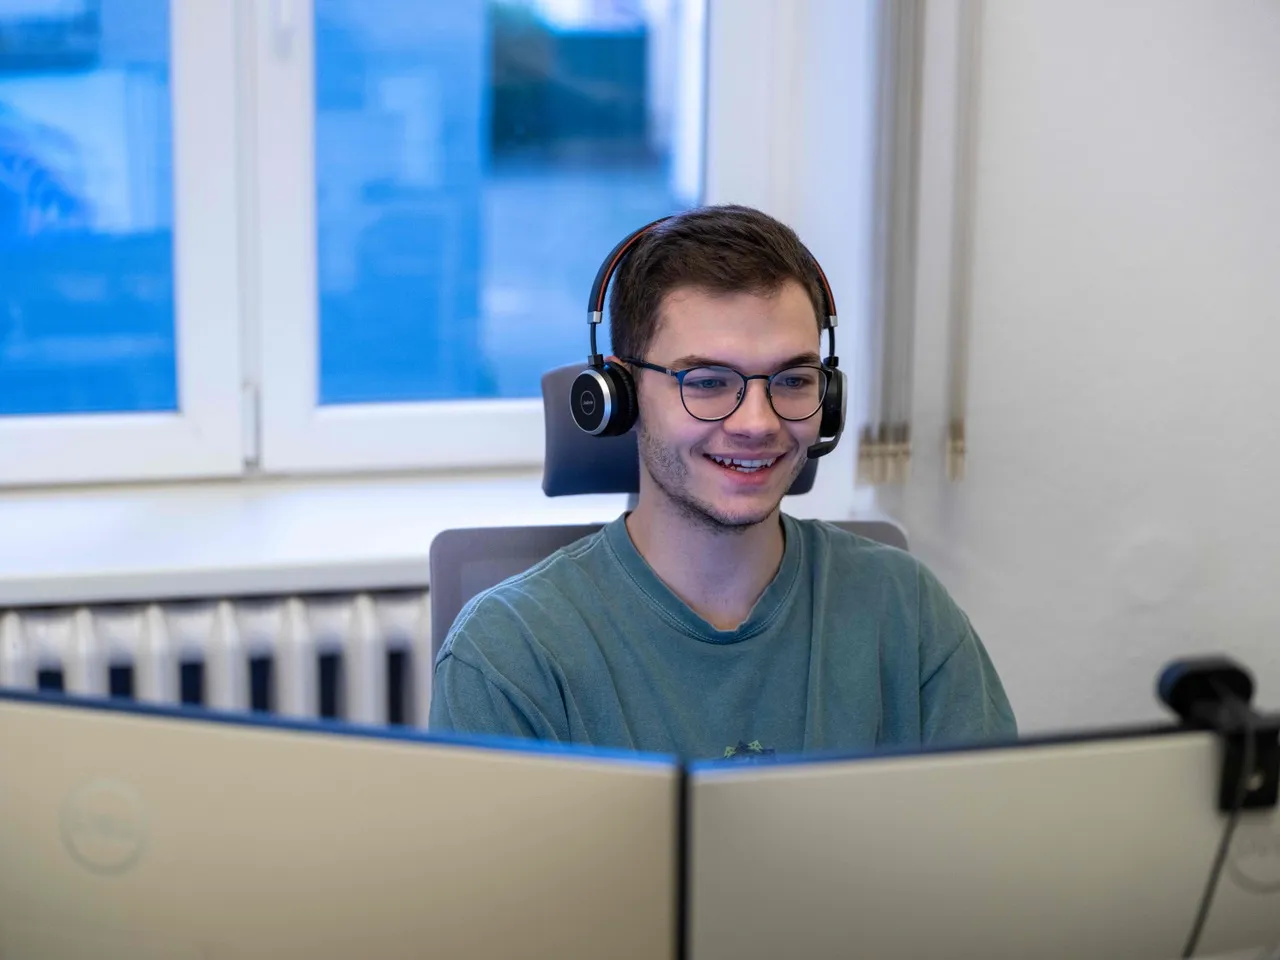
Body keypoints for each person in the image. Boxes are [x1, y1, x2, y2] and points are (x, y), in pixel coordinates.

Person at [430, 205, 1016, 760]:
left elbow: (992, 828)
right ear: (622, 395)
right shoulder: (508, 652)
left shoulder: (907, 610)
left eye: (793, 380)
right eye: (708, 382)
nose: (757, 424)